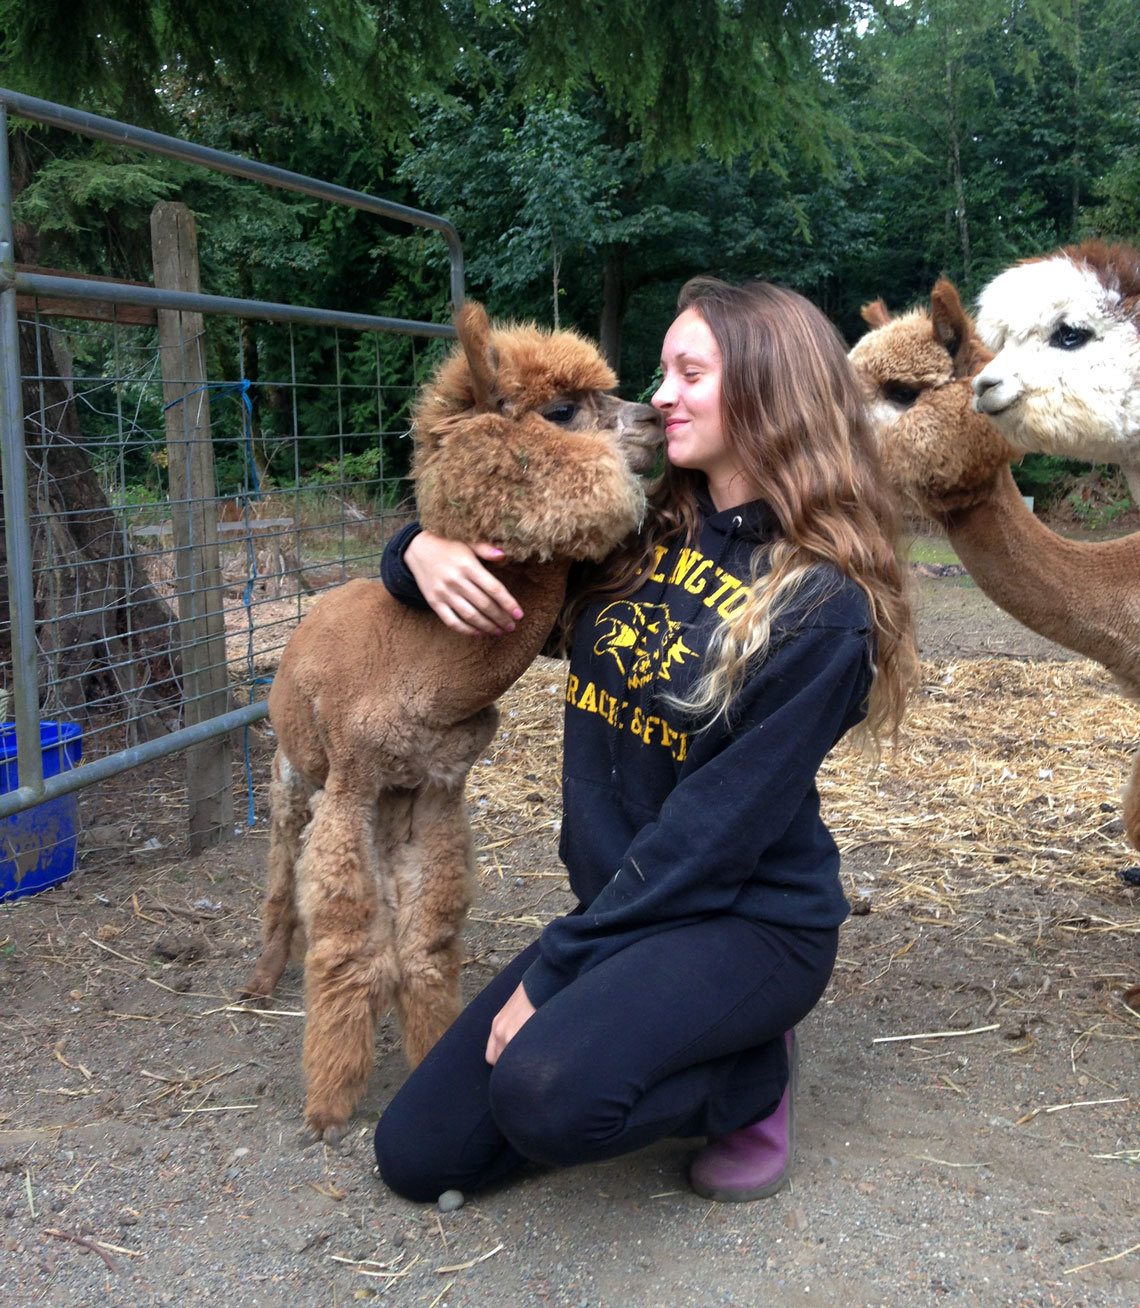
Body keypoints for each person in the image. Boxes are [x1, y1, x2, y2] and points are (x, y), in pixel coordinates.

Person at [373, 277, 917, 1204]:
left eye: (687, 372)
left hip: (746, 922)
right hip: (628, 907)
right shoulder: (634, 530)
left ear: (767, 387)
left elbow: (710, 837)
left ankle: (751, 1078)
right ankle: (642, 1032)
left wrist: (555, 969)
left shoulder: (825, 607)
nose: (658, 395)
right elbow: (487, 542)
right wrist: (414, 553)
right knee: (416, 1156)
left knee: (548, 1096)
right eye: (662, 371)